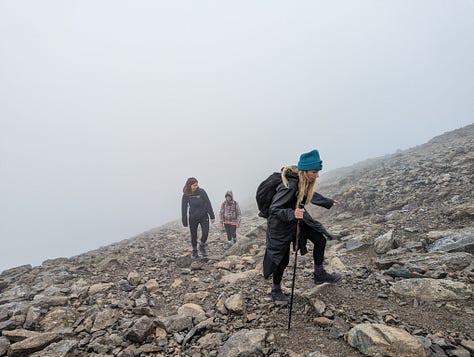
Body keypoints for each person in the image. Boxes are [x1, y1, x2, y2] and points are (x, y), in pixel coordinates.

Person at [263, 149, 341, 303]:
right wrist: (292, 214)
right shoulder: (290, 185)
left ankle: (319, 274)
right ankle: (276, 290)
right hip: (280, 225)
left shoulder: (303, 181)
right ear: (305, 171)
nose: (317, 175)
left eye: (318, 171)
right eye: (314, 172)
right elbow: (274, 209)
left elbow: (307, 194)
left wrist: (327, 202)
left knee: (320, 239)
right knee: (282, 258)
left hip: (297, 218)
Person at [181, 177, 215, 258]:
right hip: (193, 218)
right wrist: (184, 220)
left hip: (203, 216)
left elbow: (208, 203)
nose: (196, 186)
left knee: (205, 233)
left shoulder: (201, 192)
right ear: (189, 185)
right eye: (194, 185)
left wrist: (212, 216)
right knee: (193, 235)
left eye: (197, 185)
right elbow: (183, 208)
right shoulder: (186, 195)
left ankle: (202, 245)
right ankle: (195, 250)